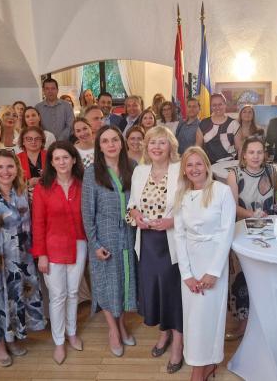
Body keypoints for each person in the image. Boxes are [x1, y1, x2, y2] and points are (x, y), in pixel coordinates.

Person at [0, 150, 46, 367]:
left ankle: (13, 338)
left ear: (17, 169)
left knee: (17, 300)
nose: (5, 171)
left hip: (21, 260)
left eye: (10, 166)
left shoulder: (21, 194)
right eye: (0, 167)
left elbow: (30, 227)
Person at [173, 147, 236, 381]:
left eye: (198, 164)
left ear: (207, 166)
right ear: (184, 170)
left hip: (213, 260)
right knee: (193, 318)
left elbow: (227, 232)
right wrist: (186, 274)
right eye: (189, 165)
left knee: (209, 316)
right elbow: (179, 236)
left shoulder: (222, 191)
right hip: (191, 263)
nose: (194, 169)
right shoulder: (181, 195)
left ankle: (204, 366)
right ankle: (200, 366)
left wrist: (213, 272)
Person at [127, 126, 183, 373]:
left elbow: (192, 207)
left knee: (173, 294)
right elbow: (132, 204)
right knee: (156, 291)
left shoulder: (180, 170)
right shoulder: (139, 171)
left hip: (172, 243)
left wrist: (173, 221)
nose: (157, 147)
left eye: (162, 142)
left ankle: (178, 344)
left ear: (171, 146)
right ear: (146, 147)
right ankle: (164, 332)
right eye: (152, 143)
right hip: (148, 243)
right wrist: (135, 215)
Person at [82, 126, 137, 357]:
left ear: (122, 143)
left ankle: (121, 323)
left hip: (129, 235)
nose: (111, 144)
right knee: (106, 283)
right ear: (99, 146)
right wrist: (94, 244)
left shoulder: (132, 167)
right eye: (105, 141)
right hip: (104, 235)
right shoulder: (92, 172)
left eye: (115, 139)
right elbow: (87, 212)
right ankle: (113, 330)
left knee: (123, 282)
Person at [32, 141, 86, 364]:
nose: (62, 162)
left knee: (73, 292)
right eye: (57, 158)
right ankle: (59, 341)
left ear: (73, 159)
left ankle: (71, 333)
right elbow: (38, 223)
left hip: (79, 244)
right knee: (57, 296)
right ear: (51, 163)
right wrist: (41, 254)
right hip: (52, 247)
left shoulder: (83, 184)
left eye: (66, 157)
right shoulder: (42, 187)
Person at [225, 136, 277, 341]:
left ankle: (264, 322)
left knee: (265, 277)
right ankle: (243, 324)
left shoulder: (271, 171)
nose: (256, 156)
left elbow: (275, 201)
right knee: (243, 278)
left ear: (264, 154)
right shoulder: (234, 174)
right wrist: (252, 215)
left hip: (267, 233)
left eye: (259, 152)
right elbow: (232, 206)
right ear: (244, 155)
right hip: (243, 233)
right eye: (251, 152)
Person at [196, 93, 241, 164]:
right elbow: (198, 147)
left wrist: (240, 166)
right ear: (210, 107)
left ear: (225, 105)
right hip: (208, 164)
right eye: (214, 105)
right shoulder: (203, 124)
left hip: (229, 165)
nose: (217, 107)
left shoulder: (234, 124)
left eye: (220, 104)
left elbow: (240, 148)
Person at [17, 126, 47, 198]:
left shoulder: (51, 156)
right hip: (24, 198)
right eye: (29, 139)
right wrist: (28, 183)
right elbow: (12, 183)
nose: (33, 142)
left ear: (42, 141)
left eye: (37, 139)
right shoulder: (16, 159)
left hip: (48, 195)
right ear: (23, 141)